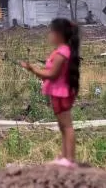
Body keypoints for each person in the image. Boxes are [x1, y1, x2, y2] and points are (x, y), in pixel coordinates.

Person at [20, 18, 81, 168]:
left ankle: (70, 159)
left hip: (62, 93)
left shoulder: (62, 53)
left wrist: (33, 69)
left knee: (67, 126)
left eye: (52, 32)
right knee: (62, 126)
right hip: (57, 92)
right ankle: (64, 157)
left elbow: (52, 74)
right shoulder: (59, 51)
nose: (49, 35)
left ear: (60, 34)